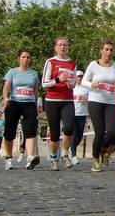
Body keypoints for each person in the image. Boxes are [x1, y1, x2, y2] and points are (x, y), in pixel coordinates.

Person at [81, 40, 115, 172]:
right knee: (99, 132)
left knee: (113, 131)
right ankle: (95, 158)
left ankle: (104, 150)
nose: (109, 52)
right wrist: (91, 84)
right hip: (95, 100)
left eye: (111, 50)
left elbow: (113, 82)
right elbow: (83, 81)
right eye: (106, 49)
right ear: (101, 50)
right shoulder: (93, 65)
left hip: (110, 101)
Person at [2, 48, 41, 170]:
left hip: (29, 103)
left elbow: (35, 90)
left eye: (28, 57)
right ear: (18, 58)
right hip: (14, 103)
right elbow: (6, 87)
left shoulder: (34, 74)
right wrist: (5, 98)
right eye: (23, 57)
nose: (26, 59)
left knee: (30, 130)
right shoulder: (12, 72)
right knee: (10, 132)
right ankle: (8, 158)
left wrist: (37, 103)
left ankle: (29, 158)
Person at [42, 37, 77, 171]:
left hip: (67, 100)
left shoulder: (72, 63)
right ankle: (53, 158)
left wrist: (71, 83)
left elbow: (73, 83)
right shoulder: (50, 62)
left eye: (65, 45)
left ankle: (64, 154)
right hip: (52, 101)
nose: (63, 47)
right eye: (60, 45)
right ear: (56, 47)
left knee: (69, 128)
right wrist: (58, 79)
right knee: (55, 132)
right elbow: (44, 84)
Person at [70, 70, 89, 165]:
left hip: (82, 113)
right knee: (74, 134)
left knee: (80, 135)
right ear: (75, 78)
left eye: (81, 76)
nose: (80, 78)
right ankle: (73, 155)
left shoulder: (86, 89)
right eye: (78, 76)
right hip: (73, 113)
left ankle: (71, 149)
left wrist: (86, 100)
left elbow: (91, 101)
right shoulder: (72, 88)